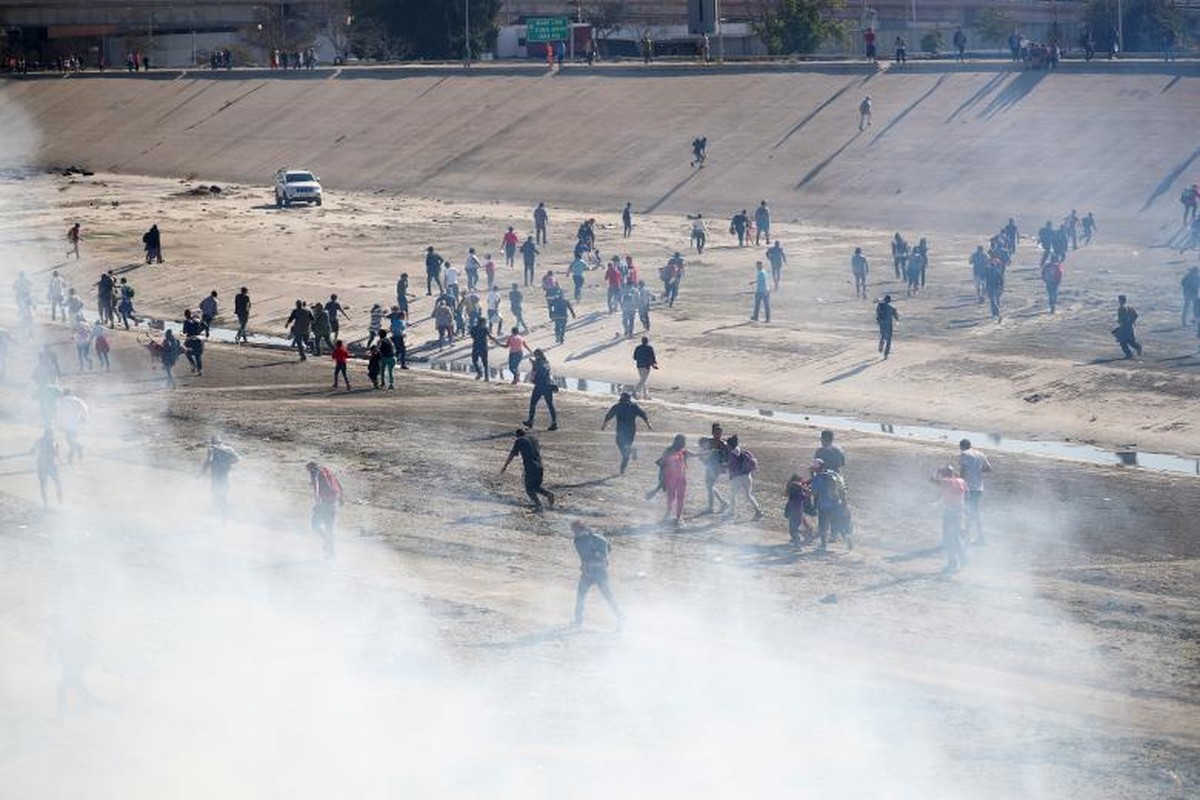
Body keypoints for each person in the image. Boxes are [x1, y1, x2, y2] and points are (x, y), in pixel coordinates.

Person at [571, 520, 622, 628]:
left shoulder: (599, 540)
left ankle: (620, 617)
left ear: (582, 529)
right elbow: (583, 558)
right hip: (588, 572)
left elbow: (604, 562)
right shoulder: (577, 541)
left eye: (576, 530)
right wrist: (585, 568)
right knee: (580, 596)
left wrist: (588, 566)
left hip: (600, 573)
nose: (574, 533)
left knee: (608, 596)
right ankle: (578, 621)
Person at [501, 428, 556, 512]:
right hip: (539, 466)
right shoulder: (534, 439)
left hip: (531, 468)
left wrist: (505, 466)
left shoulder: (519, 440)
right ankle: (548, 494)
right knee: (536, 487)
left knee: (529, 490)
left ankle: (539, 506)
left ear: (517, 435)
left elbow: (512, 454)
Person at [602, 392, 651, 475]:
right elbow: (643, 414)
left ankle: (624, 464)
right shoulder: (633, 406)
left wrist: (604, 426)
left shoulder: (617, 406)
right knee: (626, 448)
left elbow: (608, 416)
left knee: (622, 447)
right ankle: (623, 468)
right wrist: (648, 424)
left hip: (621, 431)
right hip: (631, 432)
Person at [809, 458, 850, 551]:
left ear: (816, 469)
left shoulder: (817, 478)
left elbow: (814, 492)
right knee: (837, 523)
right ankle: (846, 538)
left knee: (823, 525)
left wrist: (808, 490)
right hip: (836, 504)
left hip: (823, 505)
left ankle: (823, 545)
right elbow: (842, 486)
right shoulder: (833, 474)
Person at [933, 465, 968, 573]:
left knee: (949, 538)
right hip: (960, 511)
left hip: (950, 512)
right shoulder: (960, 481)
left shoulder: (945, 482)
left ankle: (953, 563)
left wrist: (936, 471)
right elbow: (967, 492)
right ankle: (963, 558)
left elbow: (932, 480)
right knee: (956, 536)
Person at [957, 439, 992, 546]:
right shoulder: (980, 454)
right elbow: (989, 469)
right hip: (979, 488)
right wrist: (977, 471)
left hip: (969, 488)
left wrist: (960, 484)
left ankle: (968, 537)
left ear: (962, 446)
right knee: (974, 513)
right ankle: (978, 537)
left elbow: (963, 470)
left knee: (968, 512)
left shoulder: (964, 454)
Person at [306, 461, 343, 558]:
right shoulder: (327, 471)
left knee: (315, 525)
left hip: (323, 503)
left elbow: (316, 485)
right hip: (333, 503)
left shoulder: (315, 472)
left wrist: (317, 499)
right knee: (329, 528)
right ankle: (332, 553)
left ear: (310, 468)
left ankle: (327, 540)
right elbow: (338, 484)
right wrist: (341, 499)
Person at [724, 435, 762, 520]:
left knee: (732, 495)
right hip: (747, 476)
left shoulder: (731, 454)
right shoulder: (739, 450)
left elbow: (731, 466)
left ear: (730, 445)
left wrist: (724, 466)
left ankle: (732, 512)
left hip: (737, 478)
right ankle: (758, 511)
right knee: (748, 495)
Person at [201, 436, 240, 515]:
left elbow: (238, 458)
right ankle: (217, 515)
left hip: (224, 477)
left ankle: (224, 515)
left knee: (222, 495)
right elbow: (208, 461)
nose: (217, 445)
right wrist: (202, 472)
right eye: (215, 443)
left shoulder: (228, 450)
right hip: (215, 477)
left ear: (221, 442)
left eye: (219, 443)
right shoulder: (212, 451)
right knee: (215, 495)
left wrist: (227, 462)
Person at [698, 422, 729, 514]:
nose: (718, 435)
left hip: (716, 468)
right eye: (716, 433)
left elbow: (726, 458)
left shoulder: (723, 444)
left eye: (719, 433)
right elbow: (702, 450)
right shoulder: (710, 441)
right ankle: (722, 503)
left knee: (710, 486)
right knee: (709, 486)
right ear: (713, 433)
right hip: (710, 466)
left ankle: (712, 507)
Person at [524, 350, 558, 430]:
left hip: (539, 386)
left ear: (537, 355)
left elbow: (534, 373)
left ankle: (530, 421)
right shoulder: (546, 362)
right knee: (550, 405)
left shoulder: (537, 363)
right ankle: (554, 422)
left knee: (533, 403)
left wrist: (533, 365)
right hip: (548, 385)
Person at [31, 428, 63, 507]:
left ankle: (57, 499)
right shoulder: (53, 442)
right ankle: (50, 501)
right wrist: (59, 461)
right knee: (51, 483)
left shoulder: (42, 441)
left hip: (45, 464)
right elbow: (57, 454)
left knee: (51, 483)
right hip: (46, 465)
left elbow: (32, 451)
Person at [56, 389, 88, 464]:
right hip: (76, 424)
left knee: (70, 442)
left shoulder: (62, 401)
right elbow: (85, 409)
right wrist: (84, 419)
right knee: (72, 441)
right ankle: (71, 458)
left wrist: (59, 424)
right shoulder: (78, 400)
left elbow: (59, 413)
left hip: (67, 424)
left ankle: (79, 448)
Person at [783, 473, 814, 545]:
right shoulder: (798, 487)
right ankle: (804, 537)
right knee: (799, 524)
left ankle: (799, 540)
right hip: (800, 507)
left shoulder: (795, 487)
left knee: (795, 526)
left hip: (798, 508)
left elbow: (786, 493)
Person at [1113, 295, 1142, 359]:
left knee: (1122, 341)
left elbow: (1121, 319)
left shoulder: (1121, 308)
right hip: (1130, 326)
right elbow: (1136, 315)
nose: (1118, 301)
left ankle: (1129, 354)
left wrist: (1121, 321)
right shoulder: (1130, 307)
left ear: (1121, 300)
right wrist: (1131, 321)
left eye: (1119, 300)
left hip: (1124, 327)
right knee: (1129, 340)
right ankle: (1137, 347)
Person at [876, 295, 898, 359]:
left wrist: (878, 320)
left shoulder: (880, 306)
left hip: (882, 324)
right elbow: (895, 315)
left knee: (883, 335)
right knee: (889, 339)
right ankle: (886, 354)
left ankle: (881, 346)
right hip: (888, 325)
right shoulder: (891, 307)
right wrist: (897, 320)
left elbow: (877, 313)